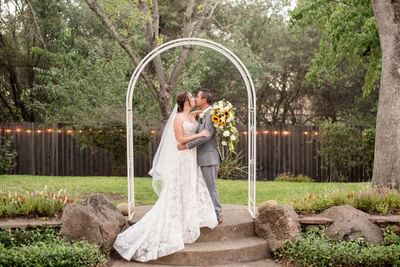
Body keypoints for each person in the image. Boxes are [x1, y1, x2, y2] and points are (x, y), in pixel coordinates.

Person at [113, 92, 218, 262]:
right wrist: (199, 135)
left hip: (191, 159)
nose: (194, 99)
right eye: (191, 97)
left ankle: (189, 216)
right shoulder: (178, 118)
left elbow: (205, 115)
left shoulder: (192, 115)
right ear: (185, 101)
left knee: (190, 186)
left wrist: (206, 113)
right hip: (182, 158)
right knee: (178, 188)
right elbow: (180, 139)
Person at [178, 89, 223, 224]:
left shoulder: (211, 114)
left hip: (209, 157)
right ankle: (206, 212)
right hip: (200, 157)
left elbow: (206, 136)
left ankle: (217, 214)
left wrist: (187, 146)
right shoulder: (203, 114)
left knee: (211, 187)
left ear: (204, 100)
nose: (196, 99)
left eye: (198, 97)